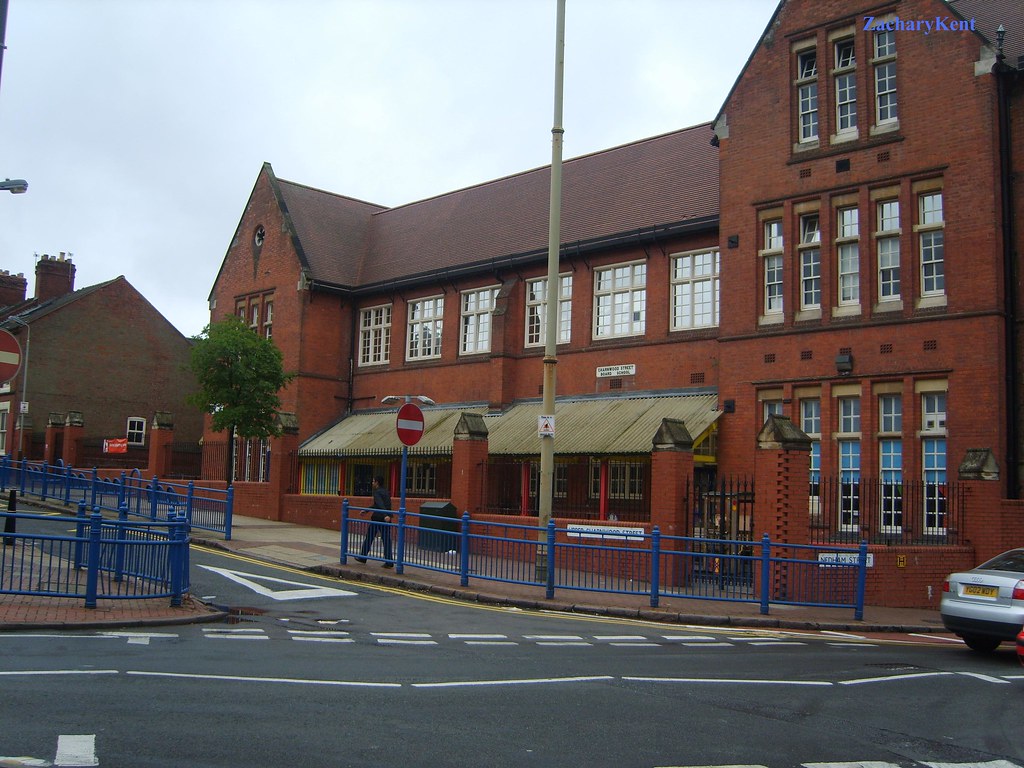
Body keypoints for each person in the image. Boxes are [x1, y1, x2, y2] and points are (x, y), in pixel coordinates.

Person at [356, 476, 394, 567]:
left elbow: (380, 504)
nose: (372, 483)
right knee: (386, 540)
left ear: (377, 482)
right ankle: (389, 562)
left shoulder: (377, 492)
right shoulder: (385, 491)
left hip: (378, 518)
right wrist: (367, 510)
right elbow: (377, 504)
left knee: (369, 537)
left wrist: (384, 515)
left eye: (373, 481)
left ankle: (363, 557)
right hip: (386, 517)